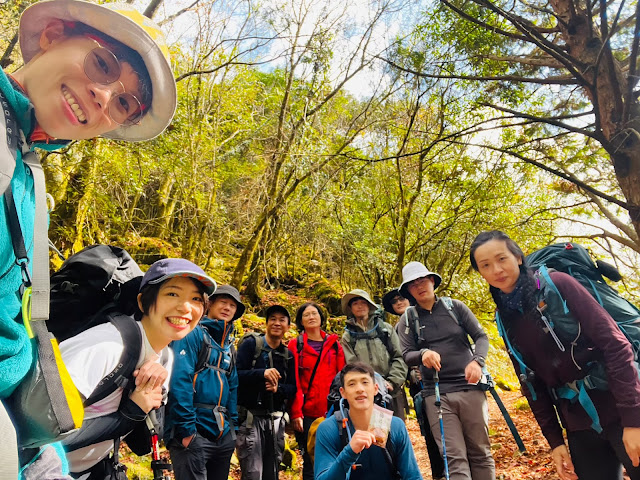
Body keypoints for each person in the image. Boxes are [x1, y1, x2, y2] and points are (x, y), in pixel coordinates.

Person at [0, 0, 176, 475]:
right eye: (102, 63)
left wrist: (41, 453)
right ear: (53, 34)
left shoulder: (27, 172)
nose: (102, 96)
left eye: (124, 103)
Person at [470, 230, 640, 480]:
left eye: (502, 258)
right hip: (578, 423)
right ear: (481, 272)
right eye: (486, 265)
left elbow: (616, 344)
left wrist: (633, 419)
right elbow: (530, 381)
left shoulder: (557, 284)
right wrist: (555, 442)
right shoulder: (504, 317)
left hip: (617, 405)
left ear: (517, 257)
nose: (496, 269)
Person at [58, 258, 214, 477]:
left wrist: (151, 400)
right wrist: (132, 411)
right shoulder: (106, 346)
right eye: (172, 294)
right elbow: (36, 435)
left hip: (89, 471)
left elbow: (142, 445)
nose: (186, 307)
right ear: (143, 302)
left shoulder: (164, 358)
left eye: (196, 298)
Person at [397, 261, 495, 480]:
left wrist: (477, 362)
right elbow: (406, 354)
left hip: (470, 389)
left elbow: (480, 336)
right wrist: (423, 354)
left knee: (480, 451)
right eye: (413, 285)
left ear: (432, 281)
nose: (419, 286)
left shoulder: (455, 307)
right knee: (453, 456)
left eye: (422, 281)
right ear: (408, 291)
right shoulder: (408, 318)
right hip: (437, 395)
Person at [165, 285, 246, 480]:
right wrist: (187, 432)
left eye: (232, 305)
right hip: (193, 432)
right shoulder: (192, 334)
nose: (227, 307)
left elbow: (233, 388)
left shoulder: (228, 347)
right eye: (223, 302)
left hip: (222, 434)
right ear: (209, 303)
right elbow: (179, 381)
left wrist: (232, 430)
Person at [314, 362, 422, 480]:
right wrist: (350, 452)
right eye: (352, 384)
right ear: (343, 392)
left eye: (365, 382)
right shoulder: (330, 429)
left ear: (375, 389)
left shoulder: (394, 425)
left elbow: (413, 476)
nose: (360, 389)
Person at [383, 288, 445, 480]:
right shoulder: (393, 330)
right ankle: (439, 473)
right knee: (429, 428)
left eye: (401, 298)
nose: (399, 302)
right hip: (418, 387)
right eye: (394, 301)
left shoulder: (425, 319)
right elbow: (397, 357)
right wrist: (409, 373)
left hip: (442, 378)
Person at [236, 305, 297, 480]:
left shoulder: (288, 355)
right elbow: (236, 376)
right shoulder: (251, 345)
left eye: (282, 320)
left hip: (276, 420)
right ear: (266, 323)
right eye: (273, 319)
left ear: (287, 326)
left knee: (272, 471)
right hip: (250, 419)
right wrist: (261, 374)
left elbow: (292, 387)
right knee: (253, 472)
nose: (277, 323)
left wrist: (278, 389)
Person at [288, 302, 346, 480]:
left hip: (333, 411)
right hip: (307, 412)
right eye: (306, 315)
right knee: (310, 457)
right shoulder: (295, 345)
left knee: (338, 454)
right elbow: (294, 381)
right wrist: (296, 412)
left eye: (315, 313)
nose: (311, 317)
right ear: (301, 321)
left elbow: (342, 378)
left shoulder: (335, 345)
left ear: (321, 318)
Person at [341, 289, 408, 419]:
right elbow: (352, 366)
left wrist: (392, 382)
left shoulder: (385, 330)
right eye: (355, 303)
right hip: (365, 395)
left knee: (396, 431)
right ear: (350, 308)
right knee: (371, 435)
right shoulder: (348, 337)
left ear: (369, 305)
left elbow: (399, 356)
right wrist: (367, 386)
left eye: (363, 302)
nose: (360, 306)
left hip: (392, 392)